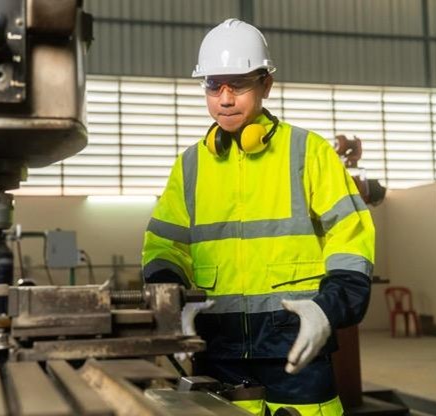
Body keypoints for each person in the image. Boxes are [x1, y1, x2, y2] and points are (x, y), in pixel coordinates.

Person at [141, 18, 375, 416]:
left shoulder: (308, 152)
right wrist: (173, 301)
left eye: (239, 84)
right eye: (214, 85)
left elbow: (351, 240)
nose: (225, 99)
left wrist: (328, 309)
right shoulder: (191, 166)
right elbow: (165, 246)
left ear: (266, 85)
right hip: (217, 349)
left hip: (299, 348)